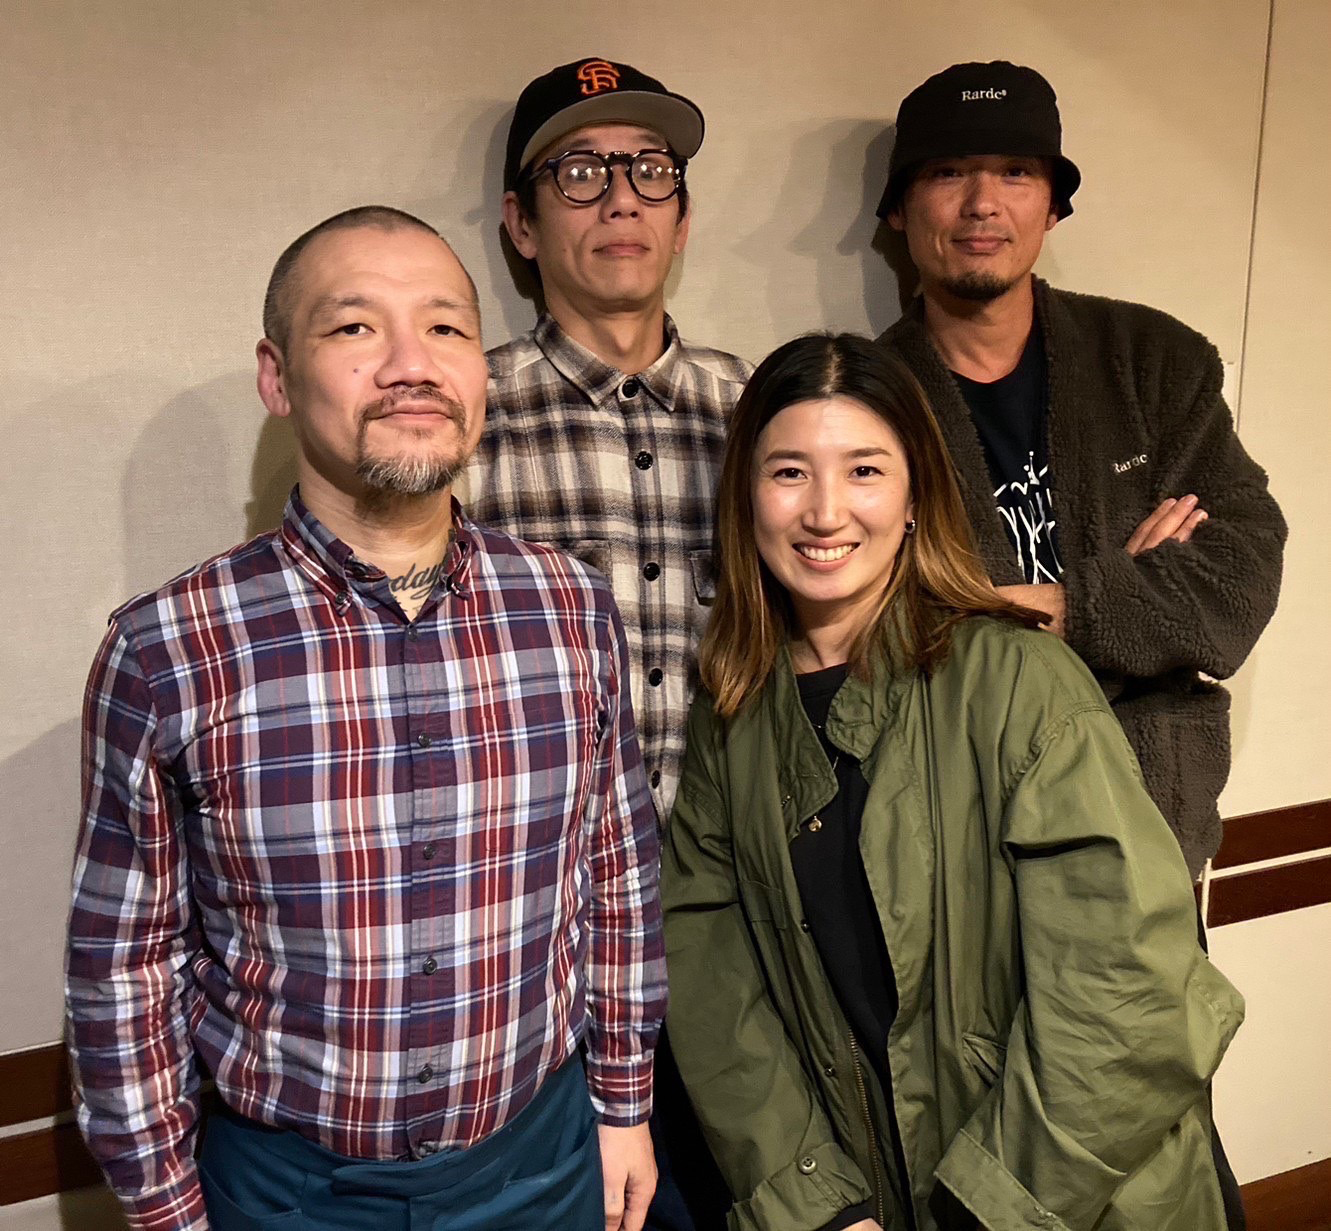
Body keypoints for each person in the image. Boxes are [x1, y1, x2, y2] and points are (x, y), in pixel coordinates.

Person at [66, 206, 665, 1231]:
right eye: (354, 328)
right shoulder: (167, 649)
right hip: (292, 1193)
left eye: (445, 327)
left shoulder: (569, 606)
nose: (410, 365)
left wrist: (624, 1103)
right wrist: (165, 1210)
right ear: (277, 376)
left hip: (543, 1164)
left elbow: (614, 870)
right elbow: (125, 967)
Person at [662, 333, 1244, 1231]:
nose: (824, 510)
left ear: (912, 497)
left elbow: (1130, 992)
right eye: (788, 472)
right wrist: (817, 1203)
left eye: (863, 470)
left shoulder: (1018, 681)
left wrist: (987, 1209)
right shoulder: (731, 711)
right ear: (746, 494)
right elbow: (710, 973)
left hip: (1069, 1201)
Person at [875, 60, 1286, 885]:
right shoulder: (862, 395)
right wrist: (1134, 594)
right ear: (897, 209)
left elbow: (1238, 574)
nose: (982, 203)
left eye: (1015, 173)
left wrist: (1073, 607)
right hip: (958, 843)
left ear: (1051, 206)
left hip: (1147, 830)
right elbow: (869, 629)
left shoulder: (1151, 360)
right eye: (948, 172)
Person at [468, 57, 751, 1231]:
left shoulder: (760, 410)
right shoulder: (465, 416)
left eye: (648, 170)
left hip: (747, 926)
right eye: (578, 172)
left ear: (681, 215)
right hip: (555, 949)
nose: (620, 197)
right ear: (520, 224)